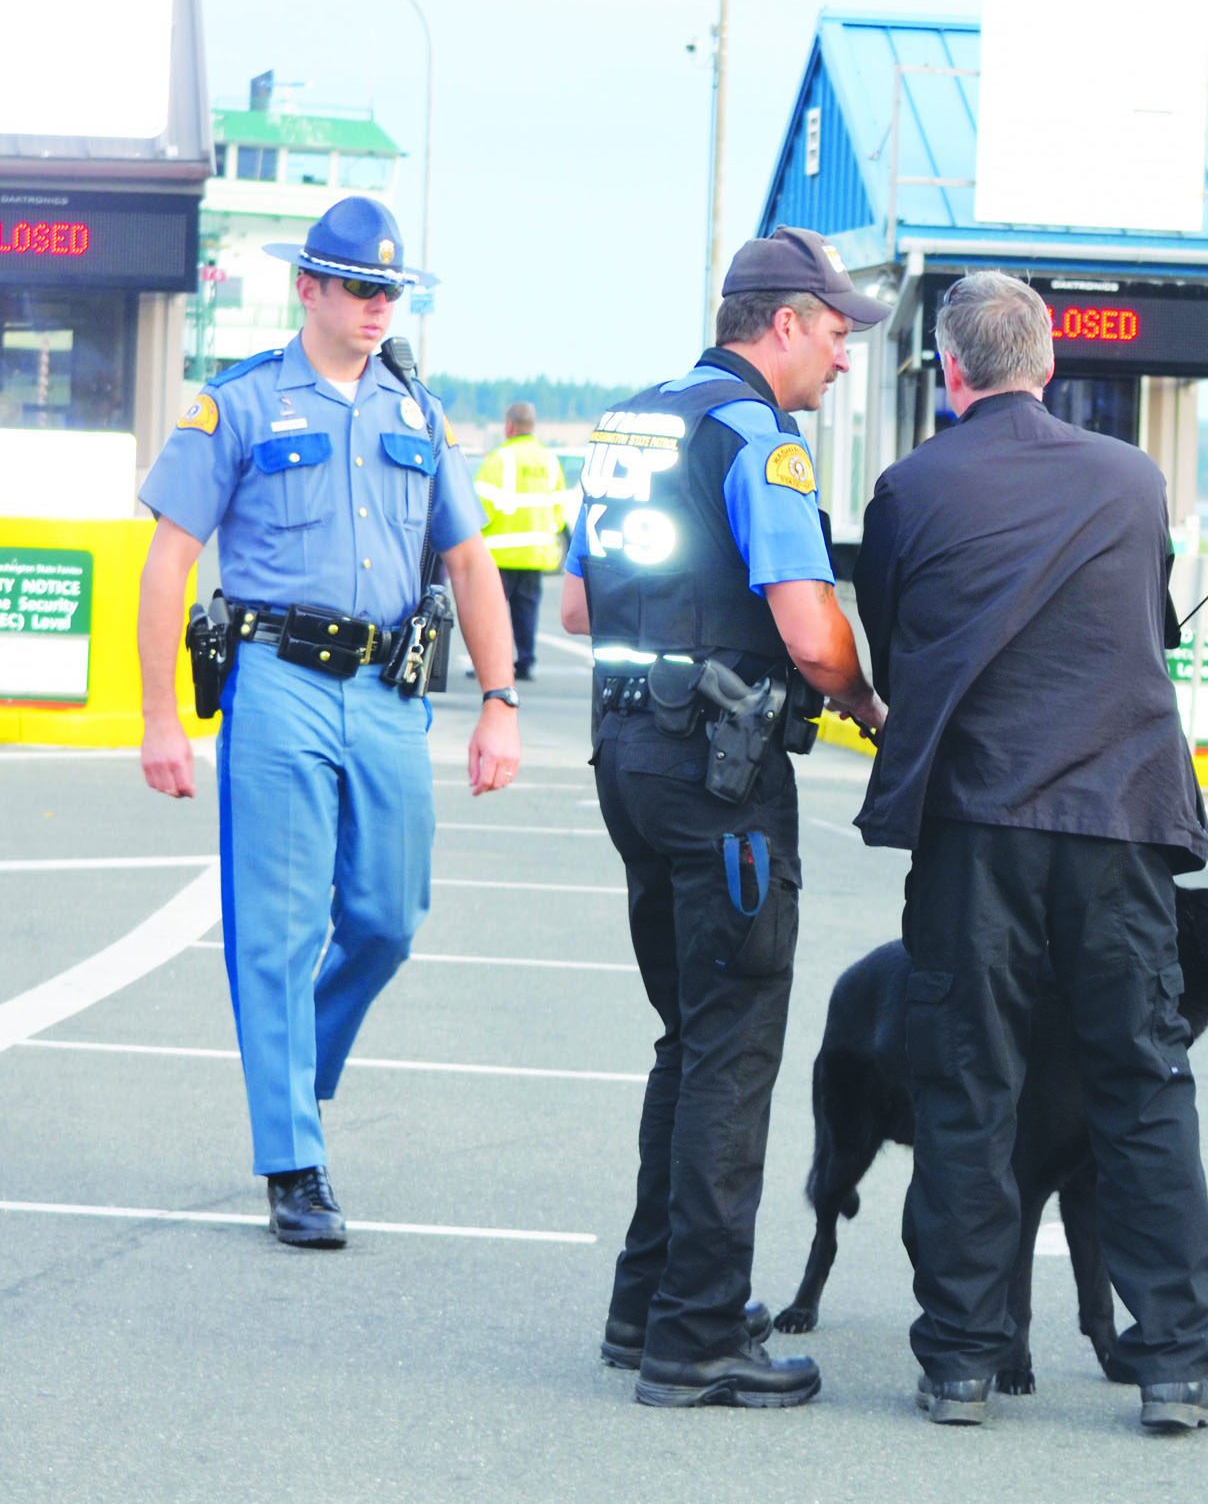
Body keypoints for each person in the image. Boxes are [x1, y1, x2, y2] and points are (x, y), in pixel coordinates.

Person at [852, 271, 1208, 1434]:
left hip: (977, 830)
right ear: (1049, 361)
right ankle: (1173, 1364)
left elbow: (899, 650)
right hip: (1120, 820)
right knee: (1144, 1082)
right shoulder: (1132, 476)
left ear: (947, 372)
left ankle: (961, 1360)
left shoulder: (910, 489)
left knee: (970, 1084)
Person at [135, 195, 522, 1248]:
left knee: (389, 918)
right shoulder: (241, 406)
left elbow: (469, 561)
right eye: (358, 288)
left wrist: (499, 701)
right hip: (277, 686)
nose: (376, 308)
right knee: (279, 931)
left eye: (390, 291)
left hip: (390, 693)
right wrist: (160, 718)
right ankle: (293, 1159)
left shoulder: (418, 415)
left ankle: (300, 1069)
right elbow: (170, 559)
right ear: (307, 287)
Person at [560, 225, 887, 1410]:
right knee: (736, 1043)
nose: (845, 358)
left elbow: (576, 601)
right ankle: (699, 1335)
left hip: (630, 754)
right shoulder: (761, 437)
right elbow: (808, 630)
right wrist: (866, 702)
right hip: (720, 773)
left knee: (688, 1034)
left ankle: (648, 1305)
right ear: (785, 321)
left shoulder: (631, 423)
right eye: (840, 332)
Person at [473, 401, 566, 680]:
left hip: (499, 554)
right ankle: (525, 662)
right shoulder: (549, 460)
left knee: (492, 612)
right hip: (535, 553)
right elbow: (559, 510)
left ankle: (492, 665)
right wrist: (545, 530)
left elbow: (480, 508)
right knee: (527, 611)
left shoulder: (500, 460)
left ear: (509, 426)